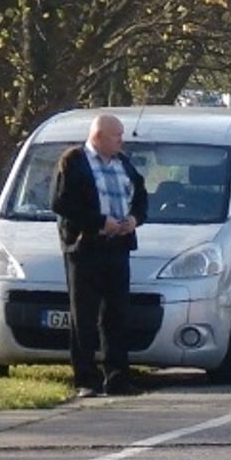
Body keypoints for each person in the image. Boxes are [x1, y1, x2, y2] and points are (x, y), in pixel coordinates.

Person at [51, 113, 149, 397]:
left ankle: (117, 377)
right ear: (98, 136)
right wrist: (98, 222)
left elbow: (141, 196)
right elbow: (60, 202)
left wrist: (134, 219)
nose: (121, 141)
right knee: (84, 315)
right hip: (85, 249)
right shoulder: (73, 161)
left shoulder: (123, 163)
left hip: (118, 247)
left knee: (116, 314)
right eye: (116, 135)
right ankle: (86, 379)